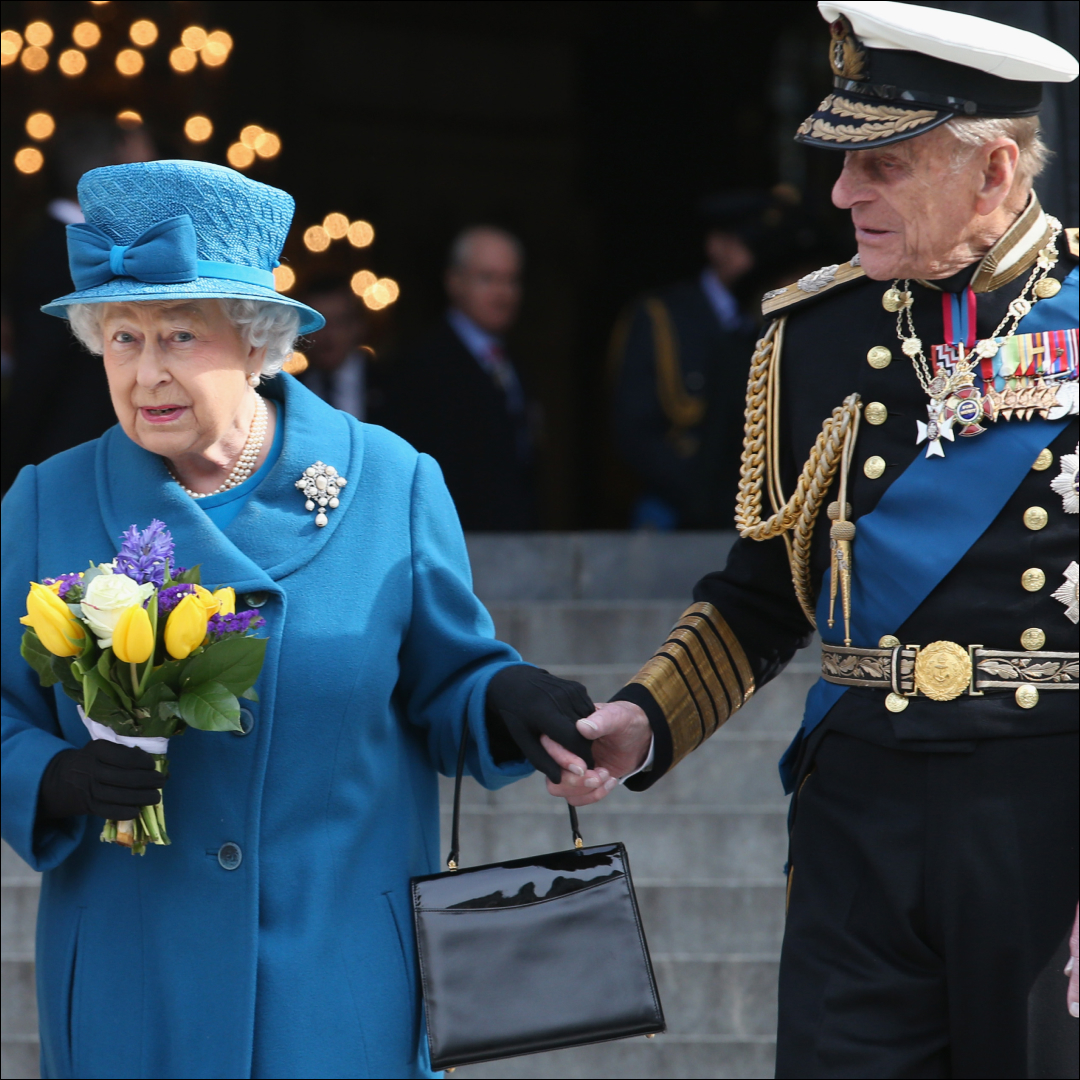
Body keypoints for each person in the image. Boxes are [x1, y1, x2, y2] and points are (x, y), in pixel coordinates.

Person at [545, 4, 1080, 1076]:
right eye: (842, 163)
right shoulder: (811, 337)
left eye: (880, 165)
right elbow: (764, 596)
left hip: (1047, 815)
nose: (840, 194)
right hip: (859, 820)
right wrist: (641, 719)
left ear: (995, 170)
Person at [0, 160, 597, 1079]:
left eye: (179, 336)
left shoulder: (391, 482)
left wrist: (510, 695)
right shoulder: (47, 502)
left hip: (337, 986)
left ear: (255, 341)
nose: (146, 372)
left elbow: (452, 683)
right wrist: (59, 775)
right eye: (123, 337)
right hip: (133, 982)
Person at [610, 191, 788, 529]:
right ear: (717, 245)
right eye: (749, 244)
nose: (762, 257)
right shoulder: (663, 317)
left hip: (760, 512)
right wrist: (706, 495)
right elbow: (635, 432)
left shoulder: (771, 320)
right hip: (676, 506)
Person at [1, 116, 155, 492]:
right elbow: (37, 374)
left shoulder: (87, 246)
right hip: (67, 466)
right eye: (144, 164)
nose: (152, 179)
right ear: (114, 167)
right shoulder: (52, 252)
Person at [384, 226, 536, 530]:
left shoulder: (515, 361)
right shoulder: (422, 366)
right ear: (455, 282)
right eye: (488, 278)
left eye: (512, 280)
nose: (503, 293)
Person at [294, 276, 383, 423]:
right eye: (319, 324)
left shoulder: (398, 385)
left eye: (339, 322)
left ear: (358, 326)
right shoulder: (291, 392)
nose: (328, 335)